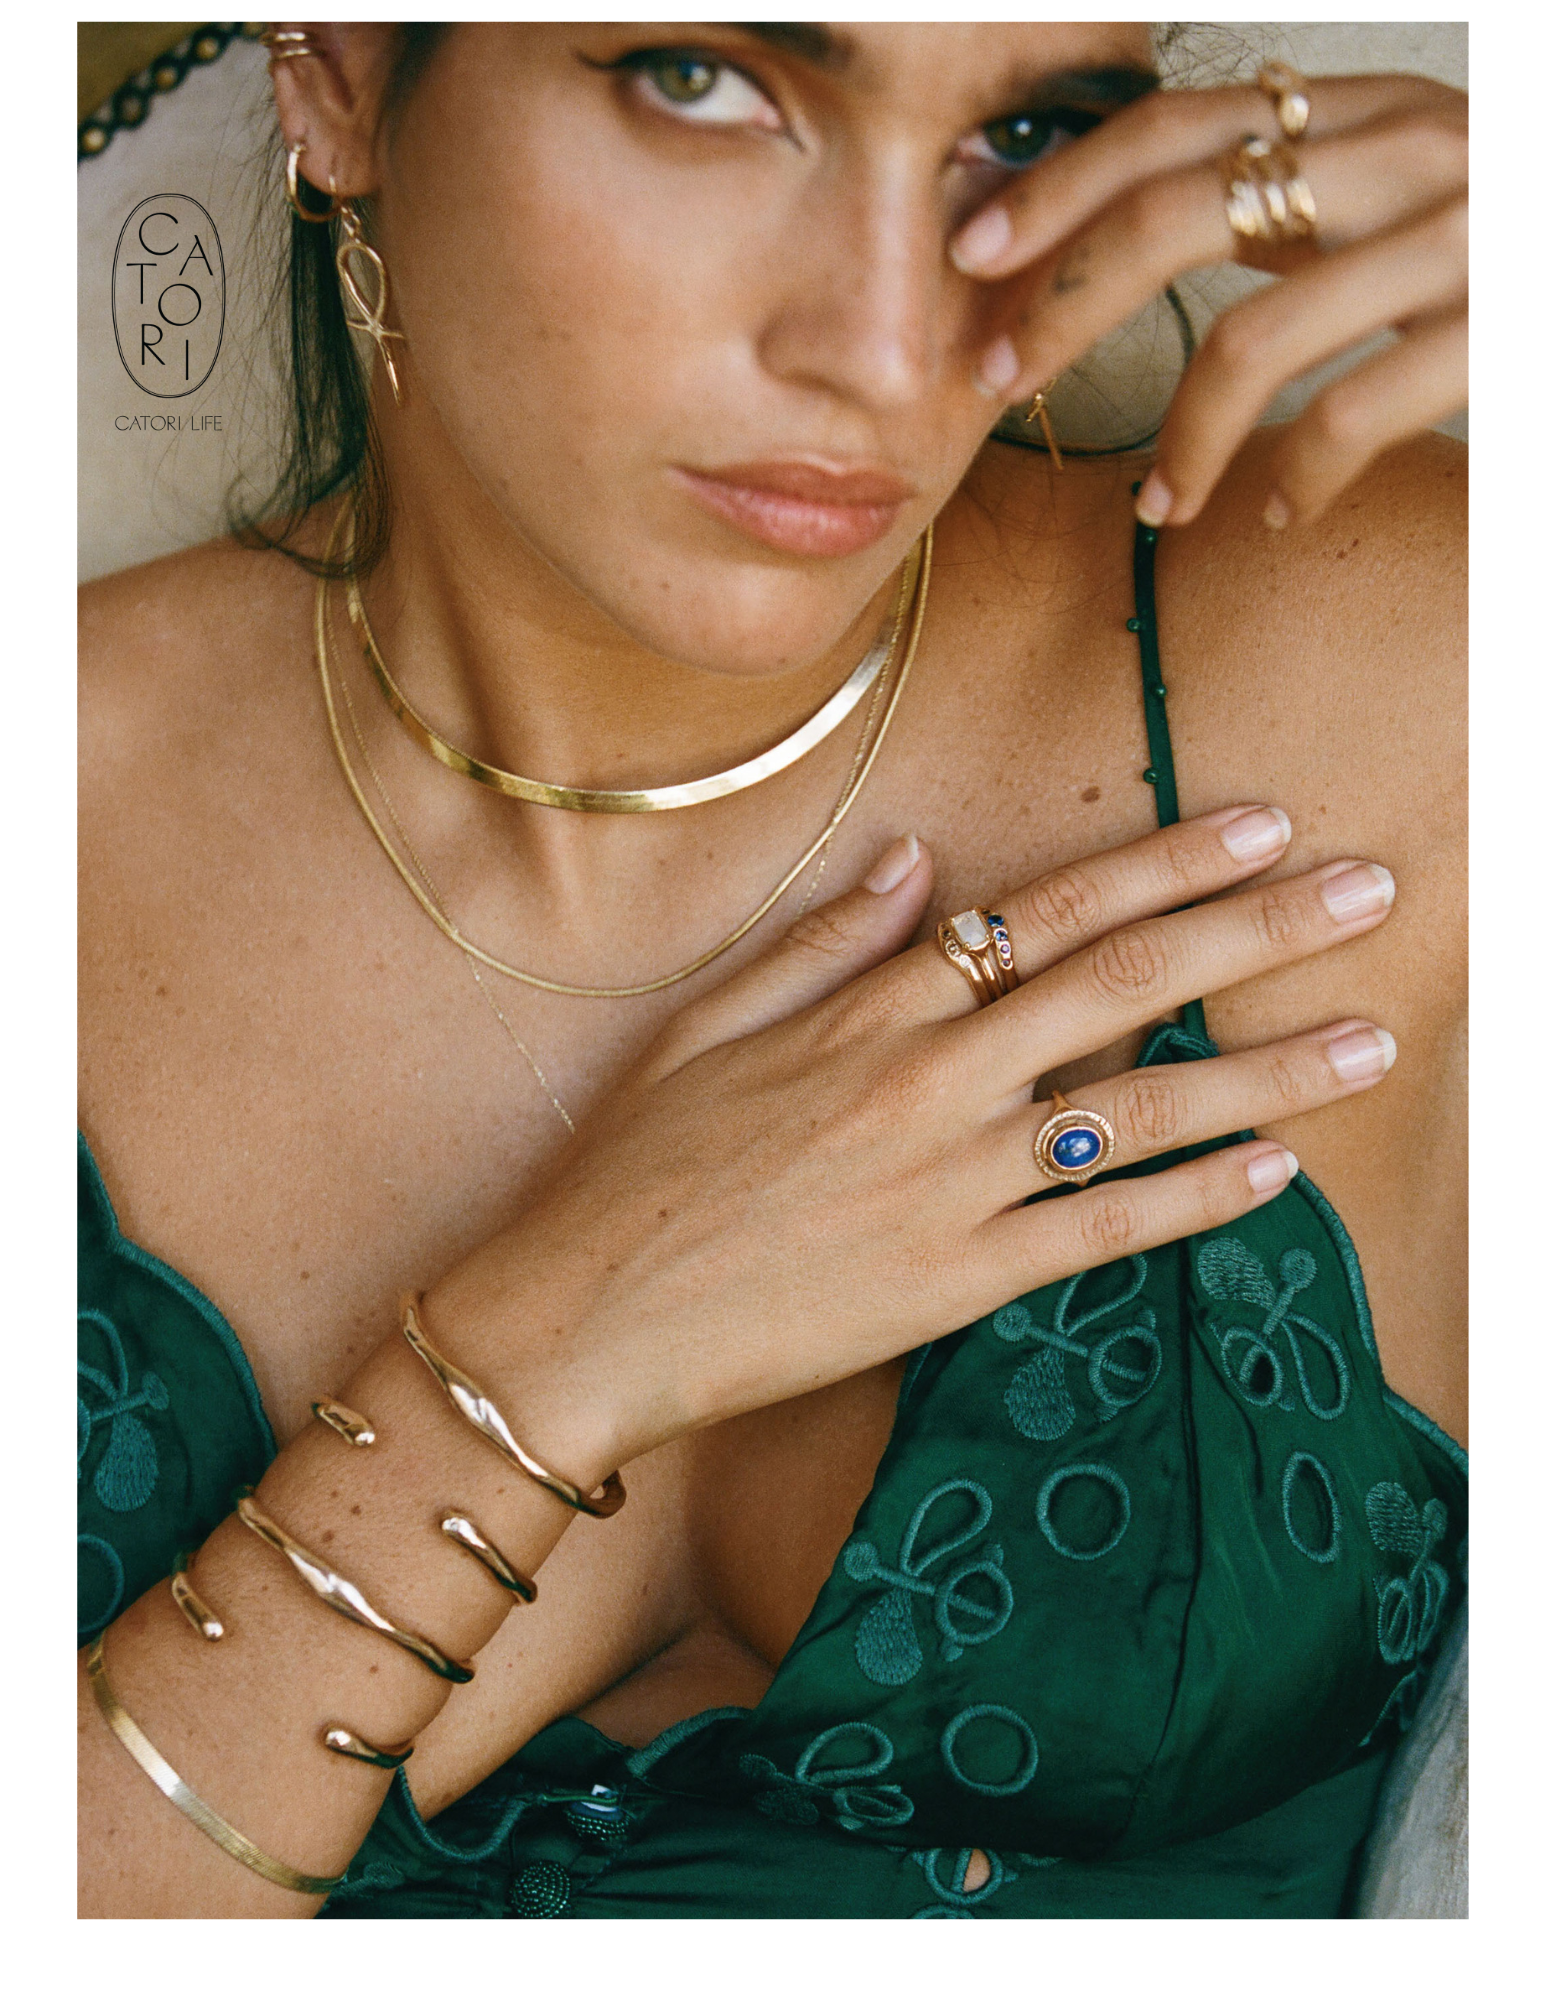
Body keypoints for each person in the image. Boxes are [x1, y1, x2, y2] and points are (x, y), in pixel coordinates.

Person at [77, 22, 1468, 1920]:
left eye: (1031, 127)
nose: (885, 349)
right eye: (701, 81)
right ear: (334, 74)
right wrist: (548, 1359)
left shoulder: (1391, 654)